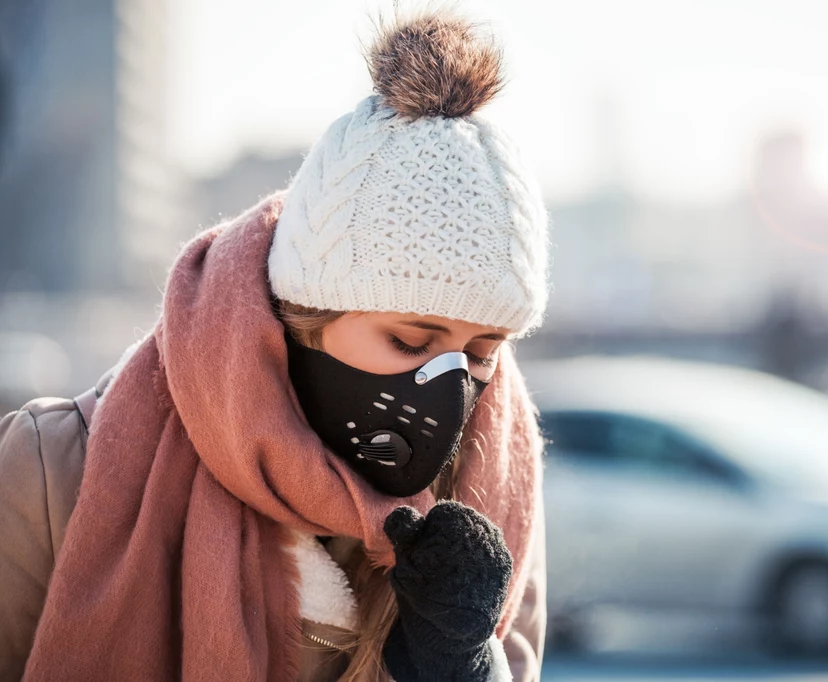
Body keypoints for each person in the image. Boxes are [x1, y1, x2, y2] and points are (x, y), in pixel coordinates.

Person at [0, 11, 549, 682]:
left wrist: (464, 664)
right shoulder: (56, 473)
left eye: (483, 353)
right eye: (409, 341)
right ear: (304, 318)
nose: (451, 388)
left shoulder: (489, 485)